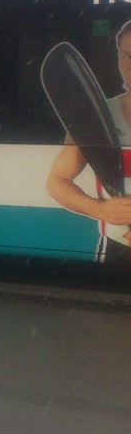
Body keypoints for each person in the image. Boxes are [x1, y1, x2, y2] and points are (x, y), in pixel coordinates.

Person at [47, 20, 131, 263]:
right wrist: (97, 208)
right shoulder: (96, 117)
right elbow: (57, 181)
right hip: (118, 253)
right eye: (127, 55)